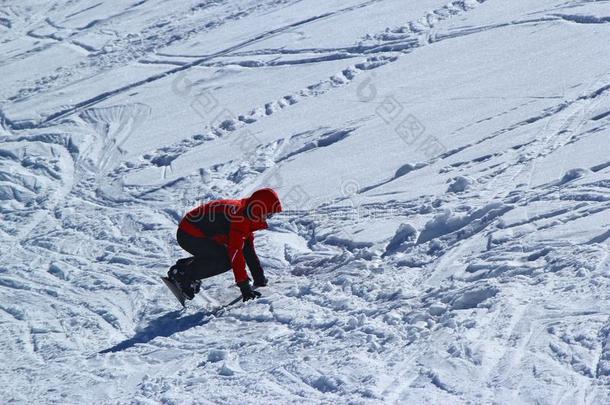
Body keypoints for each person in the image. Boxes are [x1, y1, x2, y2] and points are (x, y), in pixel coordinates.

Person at [168, 188, 282, 302]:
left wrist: (259, 278)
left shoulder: (246, 214)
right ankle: (183, 275)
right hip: (189, 234)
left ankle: (184, 268)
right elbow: (236, 253)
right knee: (226, 260)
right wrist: (245, 288)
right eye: (268, 214)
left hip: (195, 232)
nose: (268, 218)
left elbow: (248, 249)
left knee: (223, 254)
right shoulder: (240, 218)